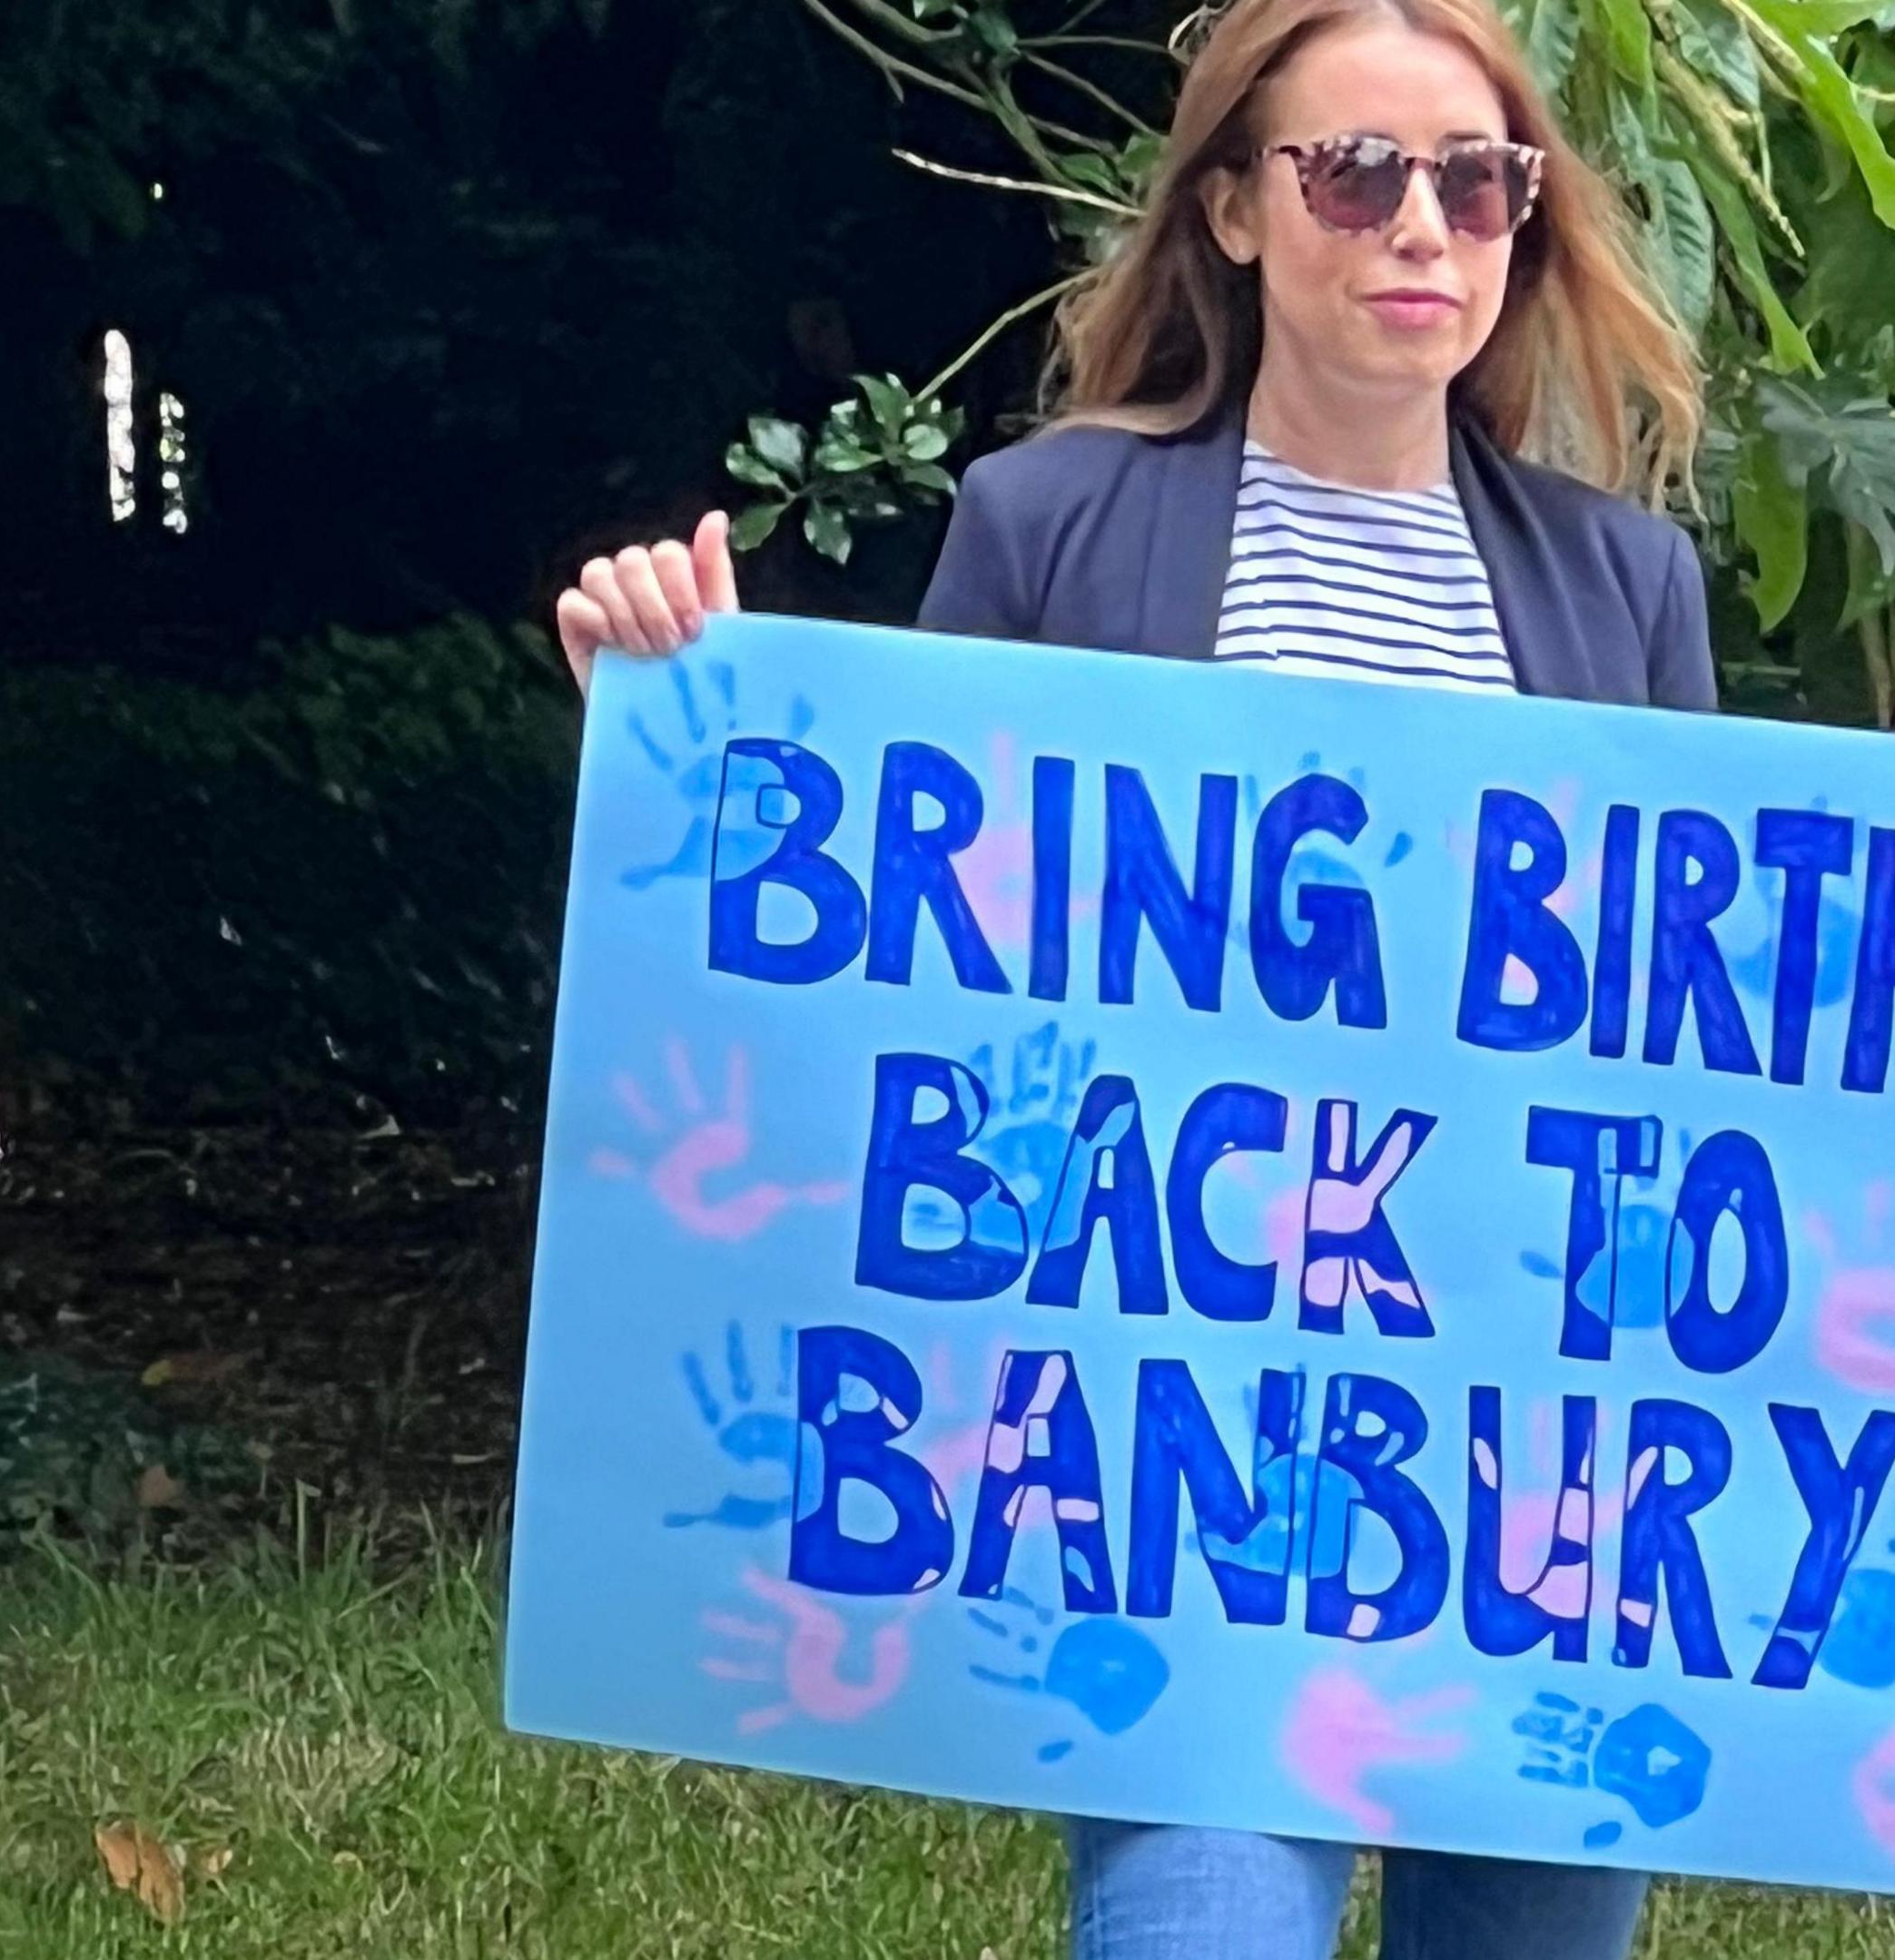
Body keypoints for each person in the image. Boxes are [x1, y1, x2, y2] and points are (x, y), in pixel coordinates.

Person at [550, 0, 1711, 1953]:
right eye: (1358, 172)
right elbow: (903, 997)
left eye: (1481, 179)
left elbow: (1708, 1040)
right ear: (1239, 212)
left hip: (1529, 1503)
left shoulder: (1629, 585)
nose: (1424, 224)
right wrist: (708, 744)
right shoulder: (1049, 527)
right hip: (1167, 1491)